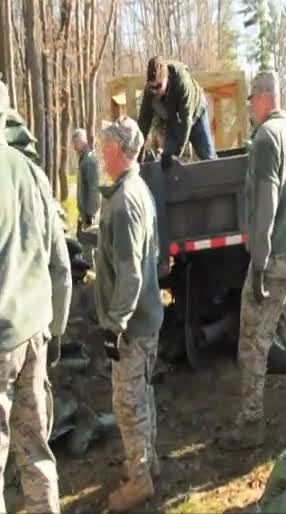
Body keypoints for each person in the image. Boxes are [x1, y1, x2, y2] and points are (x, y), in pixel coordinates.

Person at [219, 70, 286, 450]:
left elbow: (265, 207)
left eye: (251, 102)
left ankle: (251, 423)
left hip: (273, 261)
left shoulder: (266, 139)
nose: (250, 110)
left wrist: (258, 264)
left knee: (253, 343)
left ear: (262, 98)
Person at [0, 80, 72, 513]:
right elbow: (60, 264)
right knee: (37, 454)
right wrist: (56, 332)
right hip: (36, 336)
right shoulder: (32, 172)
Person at [96, 116, 164, 511]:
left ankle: (139, 480)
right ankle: (147, 463)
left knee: (129, 402)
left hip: (133, 325)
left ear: (120, 151)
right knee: (143, 393)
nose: (102, 154)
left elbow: (131, 272)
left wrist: (115, 324)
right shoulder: (138, 188)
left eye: (106, 148)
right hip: (146, 317)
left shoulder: (124, 202)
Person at [137, 56, 217, 170]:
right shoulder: (149, 92)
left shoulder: (181, 79)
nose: (155, 90)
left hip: (195, 112)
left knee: (207, 156)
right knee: (167, 160)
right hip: (173, 118)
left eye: (158, 86)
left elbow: (186, 120)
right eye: (152, 87)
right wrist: (138, 157)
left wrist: (178, 152)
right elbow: (143, 123)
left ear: (166, 78)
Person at [72, 128, 100, 266]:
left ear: (82, 142)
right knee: (84, 243)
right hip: (84, 211)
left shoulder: (88, 160)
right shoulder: (83, 159)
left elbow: (93, 188)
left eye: (75, 142)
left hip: (89, 212)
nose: (73, 146)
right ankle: (88, 267)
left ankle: (91, 270)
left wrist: (90, 213)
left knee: (89, 244)